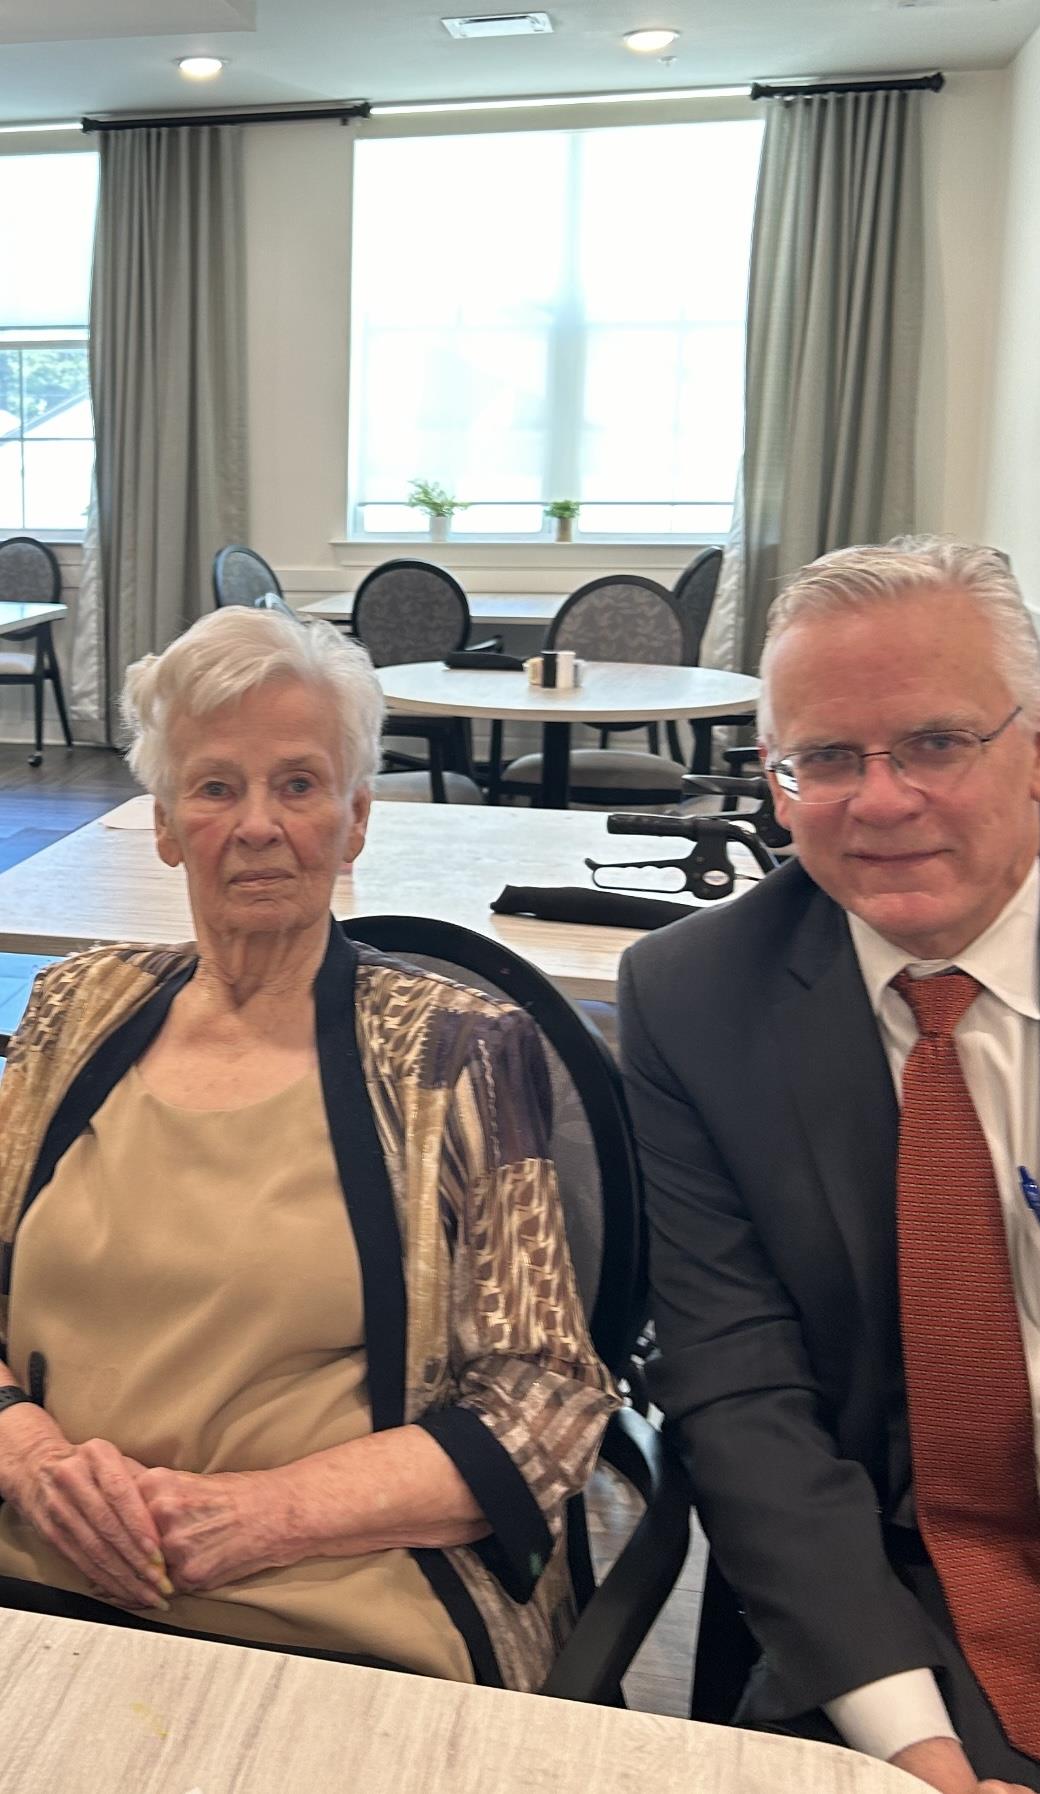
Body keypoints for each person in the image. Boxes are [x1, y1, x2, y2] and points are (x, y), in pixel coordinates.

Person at [618, 538, 1040, 1794]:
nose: (879, 800)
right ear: (775, 783)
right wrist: (912, 1751)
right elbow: (738, 1389)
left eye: (934, 743)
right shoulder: (699, 1001)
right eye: (826, 758)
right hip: (912, 1578)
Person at [0, 605, 616, 1690]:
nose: (257, 824)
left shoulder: (459, 1054)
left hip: (336, 1612)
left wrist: (259, 1517)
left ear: (357, 818)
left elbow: (545, 1400)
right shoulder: (70, 1010)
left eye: (298, 783)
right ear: (163, 822)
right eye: (215, 785)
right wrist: (32, 1457)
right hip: (36, 1579)